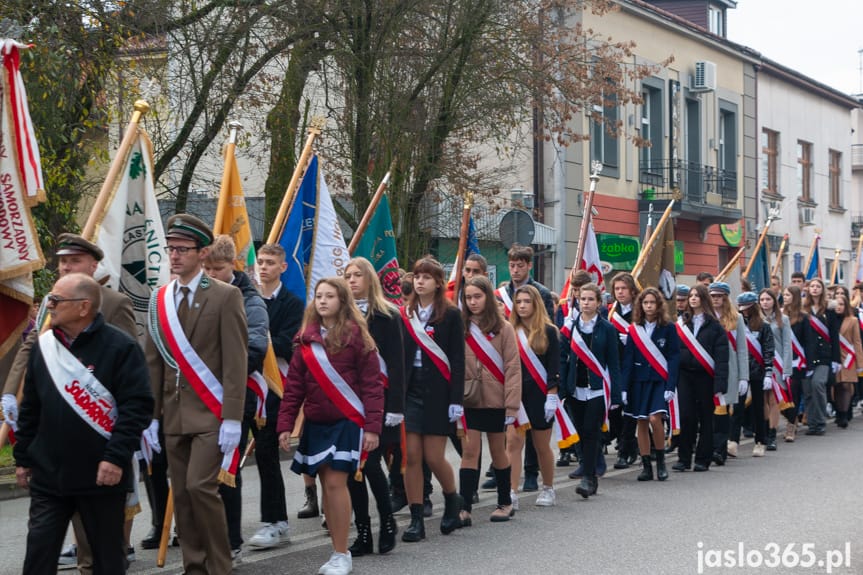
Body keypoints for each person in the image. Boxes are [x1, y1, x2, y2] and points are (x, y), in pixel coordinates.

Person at [1, 233, 140, 570]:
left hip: (100, 465)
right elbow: (31, 391)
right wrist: (22, 453)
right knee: (38, 554)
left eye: (72, 262)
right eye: (61, 262)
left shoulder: (117, 330)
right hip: (50, 469)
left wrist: (117, 454)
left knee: (103, 555)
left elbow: (134, 399)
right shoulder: (50, 328)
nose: (63, 267)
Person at [145, 213, 248, 575]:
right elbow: (154, 362)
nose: (174, 255)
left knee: (200, 488)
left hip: (211, 413)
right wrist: (150, 417)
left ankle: (220, 566)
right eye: (170, 249)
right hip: (173, 414)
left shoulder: (225, 296)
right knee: (184, 496)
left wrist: (233, 417)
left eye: (183, 249)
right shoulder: (160, 300)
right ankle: (194, 566)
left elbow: (236, 361)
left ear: (202, 253)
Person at [277, 277, 384, 575]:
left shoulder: (357, 337)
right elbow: (294, 387)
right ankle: (338, 550)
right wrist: (285, 424)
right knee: (327, 486)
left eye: (330, 296)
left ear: (342, 301)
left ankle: (341, 554)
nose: (322, 301)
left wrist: (373, 427)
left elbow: (372, 386)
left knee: (336, 483)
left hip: (347, 422)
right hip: (317, 422)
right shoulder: (305, 339)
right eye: (319, 296)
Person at [203, 235, 271, 562]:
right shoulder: (197, 293)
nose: (212, 273)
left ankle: (231, 540)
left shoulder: (250, 301)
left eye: (218, 268)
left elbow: (255, 349)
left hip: (233, 395)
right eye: (208, 267)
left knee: (226, 471)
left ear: (233, 265)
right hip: (198, 396)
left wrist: (214, 364)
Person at [399, 257, 465, 542]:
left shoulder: (450, 315)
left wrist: (456, 400)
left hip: (439, 393)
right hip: (411, 392)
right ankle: (416, 519)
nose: (420, 281)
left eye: (426, 277)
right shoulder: (405, 313)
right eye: (417, 276)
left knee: (433, 457)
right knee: (411, 457)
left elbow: (458, 360)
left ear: (439, 282)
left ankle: (452, 500)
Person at [344, 257, 405, 556]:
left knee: (369, 464)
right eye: (347, 275)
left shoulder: (387, 315)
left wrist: (396, 406)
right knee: (350, 468)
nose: (352, 280)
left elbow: (396, 363)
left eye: (358, 275)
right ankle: (363, 531)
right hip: (348, 401)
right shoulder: (341, 316)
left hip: (378, 402)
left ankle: (388, 521)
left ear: (370, 279)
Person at [249, 243, 304, 547]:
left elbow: (286, 344)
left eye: (270, 262)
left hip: (274, 387)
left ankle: (276, 521)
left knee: (267, 453)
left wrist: (256, 336)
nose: (263, 267)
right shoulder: (246, 299)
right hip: (244, 384)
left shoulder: (292, 304)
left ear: (283, 267)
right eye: (260, 261)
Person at [458, 276, 521, 524]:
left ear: (487, 297)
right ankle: (464, 508)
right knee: (469, 451)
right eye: (468, 297)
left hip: (496, 400)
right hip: (469, 398)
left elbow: (513, 368)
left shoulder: (504, 328)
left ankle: (505, 502)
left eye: (478, 296)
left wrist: (512, 405)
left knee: (498, 451)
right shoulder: (460, 327)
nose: (473, 302)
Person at [559, 283, 621, 497]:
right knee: (580, 432)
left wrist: (617, 393)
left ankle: (587, 477)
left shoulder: (607, 329)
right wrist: (561, 386)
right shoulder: (570, 327)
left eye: (590, 299)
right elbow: (562, 357)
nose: (586, 303)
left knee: (591, 431)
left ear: (598, 303)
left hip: (597, 389)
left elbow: (614, 363)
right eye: (582, 299)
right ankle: (591, 475)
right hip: (575, 388)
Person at [508, 285, 561, 506]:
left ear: (536, 304)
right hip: (517, 396)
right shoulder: (509, 330)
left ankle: (548, 488)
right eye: (518, 302)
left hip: (540, 395)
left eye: (526, 302)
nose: (521, 306)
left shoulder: (549, 331)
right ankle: (510, 492)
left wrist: (552, 394)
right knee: (513, 444)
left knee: (541, 446)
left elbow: (554, 366)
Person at [621, 287, 679, 481]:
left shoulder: (668, 327)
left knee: (656, 419)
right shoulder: (634, 329)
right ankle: (646, 466)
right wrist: (623, 387)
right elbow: (628, 359)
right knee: (642, 421)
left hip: (658, 380)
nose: (648, 306)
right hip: (638, 381)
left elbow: (673, 357)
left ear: (659, 305)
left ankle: (661, 462)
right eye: (645, 303)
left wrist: (671, 385)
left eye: (652, 303)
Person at [674, 284, 729, 472]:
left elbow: (722, 357)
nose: (693, 299)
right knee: (686, 416)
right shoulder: (681, 323)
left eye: (697, 296)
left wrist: (721, 382)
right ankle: (683, 457)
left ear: (703, 299)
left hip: (706, 375)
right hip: (684, 375)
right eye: (691, 295)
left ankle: (702, 459)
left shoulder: (715, 326)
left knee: (706, 418)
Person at [708, 281, 747, 463]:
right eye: (713, 296)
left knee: (723, 410)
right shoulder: (705, 317)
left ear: (725, 297)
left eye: (719, 296)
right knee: (711, 412)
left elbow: (741, 349)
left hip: (730, 371)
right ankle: (712, 447)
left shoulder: (736, 318)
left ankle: (720, 450)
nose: (716, 299)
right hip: (708, 368)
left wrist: (743, 377)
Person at [732, 292, 774, 457]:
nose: (744, 311)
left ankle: (760, 441)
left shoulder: (763, 326)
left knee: (758, 408)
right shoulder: (736, 323)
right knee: (737, 407)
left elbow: (768, 350)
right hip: (741, 372)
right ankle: (733, 441)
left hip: (758, 372)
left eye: (747, 308)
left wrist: (769, 373)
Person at [608, 273, 639, 470]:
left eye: (623, 288)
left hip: (634, 368)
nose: (620, 292)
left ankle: (624, 451)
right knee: (613, 412)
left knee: (629, 411)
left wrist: (632, 341)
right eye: (617, 289)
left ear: (632, 291)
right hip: (614, 367)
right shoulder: (611, 312)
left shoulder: (639, 312)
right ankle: (630, 443)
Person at [802, 277, 841, 436]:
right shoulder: (803, 310)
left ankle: (820, 421)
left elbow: (834, 335)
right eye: (812, 286)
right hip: (806, 356)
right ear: (808, 289)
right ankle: (812, 424)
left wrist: (836, 359)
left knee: (818, 385)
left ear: (822, 289)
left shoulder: (829, 310)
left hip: (824, 355)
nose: (815, 289)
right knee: (808, 390)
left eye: (818, 286)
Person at [759, 288, 793, 451]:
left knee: (773, 399)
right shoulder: (755, 319)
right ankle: (764, 431)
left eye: (768, 299)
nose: (765, 302)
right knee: (763, 400)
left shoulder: (783, 319)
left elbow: (787, 344)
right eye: (762, 299)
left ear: (774, 300)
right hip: (761, 364)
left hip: (777, 365)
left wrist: (786, 368)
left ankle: (772, 435)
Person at [832, 294, 863, 428]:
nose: (839, 307)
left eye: (842, 304)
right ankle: (838, 412)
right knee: (836, 386)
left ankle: (844, 413)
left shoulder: (853, 320)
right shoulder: (829, 319)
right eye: (836, 304)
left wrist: (860, 363)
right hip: (834, 357)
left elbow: (857, 342)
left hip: (848, 358)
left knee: (845, 385)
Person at [782, 285, 809, 442]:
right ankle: (791, 419)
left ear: (795, 297)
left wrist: (809, 363)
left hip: (798, 362)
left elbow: (808, 342)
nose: (784, 297)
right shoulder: (779, 315)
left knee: (793, 394)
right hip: (780, 361)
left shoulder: (803, 318)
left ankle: (791, 426)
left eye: (788, 295)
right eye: (784, 295)